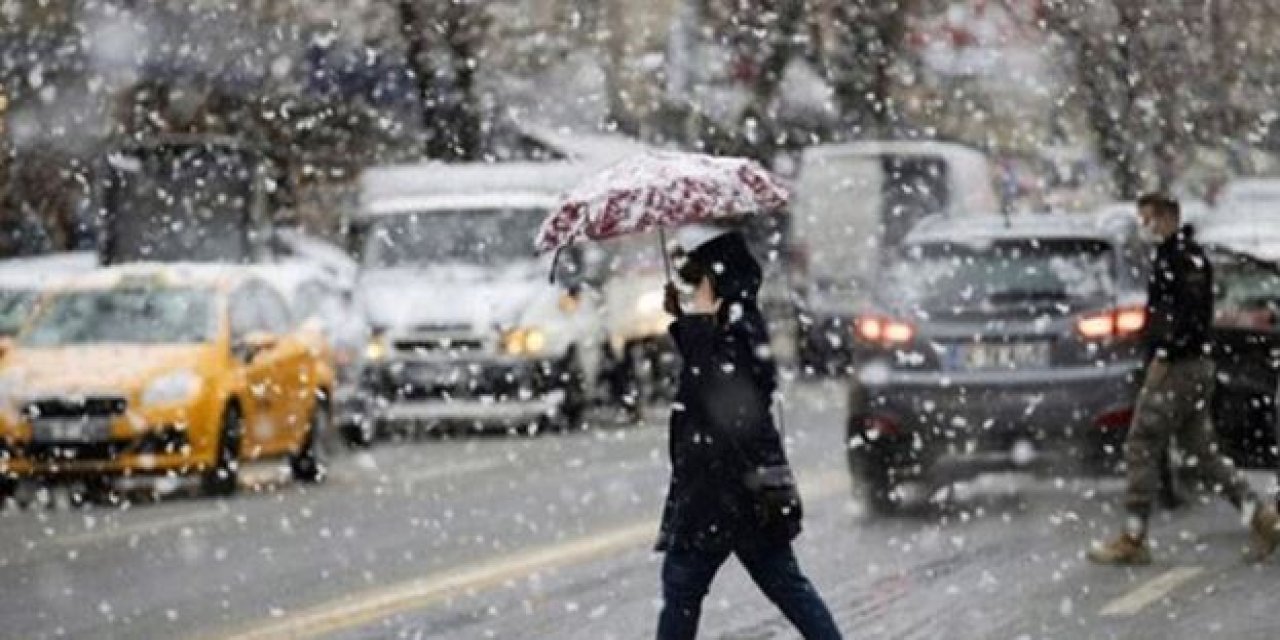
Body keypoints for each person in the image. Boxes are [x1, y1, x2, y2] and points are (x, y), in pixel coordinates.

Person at [654, 226, 842, 639]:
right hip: (745, 490)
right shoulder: (738, 325)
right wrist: (686, 320)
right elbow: (715, 375)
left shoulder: (734, 330)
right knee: (786, 587)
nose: (695, 290)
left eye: (700, 282)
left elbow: (713, 386)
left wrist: (696, 324)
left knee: (682, 589)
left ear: (716, 282)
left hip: (718, 492)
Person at [1088, 193, 1280, 565]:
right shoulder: (1174, 256)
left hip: (1179, 367)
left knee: (1142, 442)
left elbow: (1187, 319)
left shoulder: (1181, 259)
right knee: (1203, 452)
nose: (1144, 227)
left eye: (1148, 219)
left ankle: (1134, 536)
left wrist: (1165, 354)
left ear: (1167, 217)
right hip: (1187, 364)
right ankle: (1261, 517)